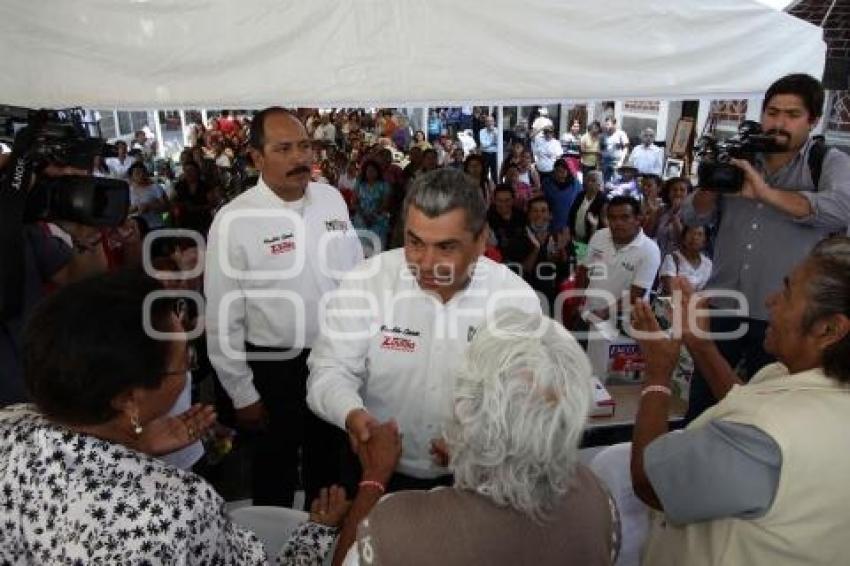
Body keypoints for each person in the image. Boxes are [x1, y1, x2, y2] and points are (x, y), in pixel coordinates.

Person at [307, 169, 541, 493]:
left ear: (480, 241)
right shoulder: (367, 281)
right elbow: (329, 369)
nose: (426, 263)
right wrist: (354, 415)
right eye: (414, 242)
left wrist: (483, 438)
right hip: (375, 472)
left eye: (446, 247)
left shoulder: (514, 299)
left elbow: (525, 395)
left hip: (472, 479)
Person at [332, 309, 620, 566]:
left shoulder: (395, 526)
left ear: (464, 407)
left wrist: (374, 477)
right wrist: (476, 456)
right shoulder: (597, 498)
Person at [630, 236, 850, 566]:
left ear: (829, 329)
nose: (771, 300)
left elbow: (651, 483)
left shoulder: (768, 439)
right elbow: (743, 398)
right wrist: (702, 346)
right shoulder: (800, 378)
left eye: (788, 293)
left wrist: (657, 377)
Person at [204, 107, 363, 508]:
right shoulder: (234, 219)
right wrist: (241, 393)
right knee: (272, 470)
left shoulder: (331, 200)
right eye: (285, 148)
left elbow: (358, 274)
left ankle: (324, 544)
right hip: (274, 367)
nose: (300, 158)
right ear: (256, 158)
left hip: (335, 358)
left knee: (330, 468)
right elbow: (223, 317)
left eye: (305, 145)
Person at [681, 73, 850, 421]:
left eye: (792, 115)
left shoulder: (828, 163)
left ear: (813, 120)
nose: (779, 123)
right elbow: (692, 217)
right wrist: (712, 185)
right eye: (772, 112)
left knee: (769, 415)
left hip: (787, 316)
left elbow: (839, 210)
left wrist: (766, 194)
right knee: (703, 408)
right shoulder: (741, 156)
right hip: (724, 306)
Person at [576, 195, 660, 326]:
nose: (618, 223)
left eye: (625, 217)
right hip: (589, 312)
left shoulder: (650, 250)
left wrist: (604, 312)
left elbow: (636, 294)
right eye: (613, 218)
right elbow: (584, 270)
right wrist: (578, 299)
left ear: (638, 219)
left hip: (624, 322)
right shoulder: (599, 236)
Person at [659, 224, 712, 294]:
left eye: (700, 234)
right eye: (691, 232)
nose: (694, 237)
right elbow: (671, 291)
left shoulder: (708, 264)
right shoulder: (672, 259)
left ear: (705, 241)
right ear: (683, 237)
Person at [568, 169, 607, 246]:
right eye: (588, 180)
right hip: (576, 237)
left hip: (592, 240)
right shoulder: (581, 195)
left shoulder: (603, 200)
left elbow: (604, 222)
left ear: (599, 184)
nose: (589, 183)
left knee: (586, 256)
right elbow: (572, 213)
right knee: (578, 256)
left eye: (593, 181)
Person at [542, 158, 581, 234]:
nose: (559, 174)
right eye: (557, 171)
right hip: (552, 221)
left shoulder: (575, 184)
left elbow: (579, 201)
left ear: (568, 171)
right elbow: (543, 201)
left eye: (562, 171)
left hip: (570, 221)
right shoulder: (547, 183)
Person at [127, 162, 169, 231]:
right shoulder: (128, 190)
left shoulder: (155, 187)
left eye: (143, 172)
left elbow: (167, 207)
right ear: (132, 177)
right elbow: (123, 210)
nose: (141, 175)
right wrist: (135, 208)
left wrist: (150, 206)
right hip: (135, 228)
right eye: (137, 173)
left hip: (155, 226)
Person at [601, 117, 629, 183]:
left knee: (616, 180)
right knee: (605, 180)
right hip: (606, 161)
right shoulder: (604, 134)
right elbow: (601, 147)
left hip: (617, 161)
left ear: (614, 124)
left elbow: (626, 146)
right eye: (606, 124)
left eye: (608, 124)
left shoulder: (621, 133)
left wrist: (621, 161)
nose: (606, 126)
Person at [478, 115, 499, 182]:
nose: (490, 123)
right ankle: (484, 186)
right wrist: (493, 141)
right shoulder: (481, 131)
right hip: (485, 154)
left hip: (495, 154)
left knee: (495, 172)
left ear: (494, 122)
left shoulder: (497, 131)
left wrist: (495, 135)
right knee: (484, 172)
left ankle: (495, 187)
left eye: (491, 121)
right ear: (485, 123)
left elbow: (499, 143)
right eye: (488, 121)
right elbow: (483, 145)